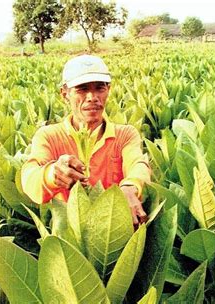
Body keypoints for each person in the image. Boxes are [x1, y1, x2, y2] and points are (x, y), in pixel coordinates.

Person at [21, 54, 151, 226]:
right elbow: (30, 178)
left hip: (117, 232)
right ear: (65, 94)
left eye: (99, 88)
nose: (92, 97)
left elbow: (138, 165)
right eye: (82, 89)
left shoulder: (125, 134)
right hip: (73, 237)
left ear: (108, 90)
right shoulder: (49, 136)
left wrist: (131, 186)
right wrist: (52, 174)